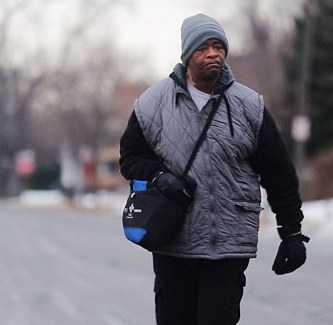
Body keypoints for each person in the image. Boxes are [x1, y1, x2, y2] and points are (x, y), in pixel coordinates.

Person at [119, 13, 309, 325]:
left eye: (219, 46)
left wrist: (292, 232)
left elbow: (280, 174)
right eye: (203, 47)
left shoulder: (249, 106)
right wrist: (158, 177)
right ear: (187, 55)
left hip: (227, 246)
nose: (213, 54)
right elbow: (130, 158)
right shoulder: (152, 104)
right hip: (173, 242)